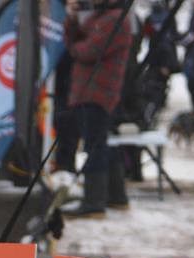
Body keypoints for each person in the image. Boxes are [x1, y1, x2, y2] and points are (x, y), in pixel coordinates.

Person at [62, 0, 133, 218]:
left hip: (98, 92)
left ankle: (94, 203)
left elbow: (88, 51)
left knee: (94, 146)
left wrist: (73, 48)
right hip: (91, 91)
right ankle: (116, 197)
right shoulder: (102, 17)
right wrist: (72, 19)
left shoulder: (115, 20)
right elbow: (77, 38)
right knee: (101, 143)